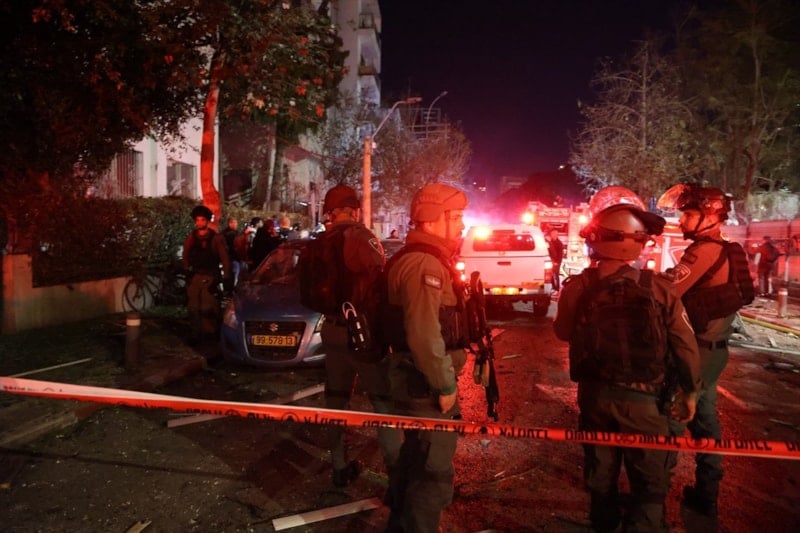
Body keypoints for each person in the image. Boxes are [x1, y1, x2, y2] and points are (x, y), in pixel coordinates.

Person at [553, 186, 700, 532]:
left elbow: (562, 332)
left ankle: (604, 524)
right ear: (635, 243)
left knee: (600, 475)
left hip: (596, 400)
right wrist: (691, 391)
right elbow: (685, 344)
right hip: (646, 404)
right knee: (649, 482)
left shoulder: (578, 286)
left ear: (597, 241)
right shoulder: (659, 288)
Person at [656, 183, 749, 518]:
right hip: (714, 351)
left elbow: (667, 290)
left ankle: (654, 499)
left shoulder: (704, 251)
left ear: (709, 216)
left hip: (697, 353)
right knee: (706, 422)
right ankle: (707, 494)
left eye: (689, 214)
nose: (681, 220)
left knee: (672, 420)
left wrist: (635, 280)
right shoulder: (726, 249)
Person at [384, 183, 469, 532]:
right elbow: (423, 334)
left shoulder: (424, 259)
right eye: (456, 217)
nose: (462, 225)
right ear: (433, 220)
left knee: (415, 462)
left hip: (416, 382)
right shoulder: (423, 264)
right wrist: (444, 384)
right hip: (424, 387)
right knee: (432, 477)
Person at [317, 184, 402, 488]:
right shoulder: (362, 238)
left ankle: (339, 466)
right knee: (383, 402)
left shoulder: (321, 241)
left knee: (336, 400)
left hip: (330, 330)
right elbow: (381, 281)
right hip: (361, 333)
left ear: (331, 212)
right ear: (354, 210)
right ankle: (396, 478)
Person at [182, 205, 233, 345]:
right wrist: (187, 270)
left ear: (207, 221)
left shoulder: (216, 238)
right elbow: (185, 255)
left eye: (202, 220)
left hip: (210, 277)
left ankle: (210, 333)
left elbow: (225, 259)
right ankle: (195, 332)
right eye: (197, 220)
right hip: (195, 276)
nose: (199, 223)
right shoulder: (191, 237)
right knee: (193, 306)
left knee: (208, 306)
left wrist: (226, 278)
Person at [221, 217, 243, 285]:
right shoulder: (232, 234)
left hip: (230, 257)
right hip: (233, 258)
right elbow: (235, 246)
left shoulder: (224, 233)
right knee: (234, 274)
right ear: (230, 224)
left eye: (236, 223)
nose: (236, 224)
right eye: (234, 223)